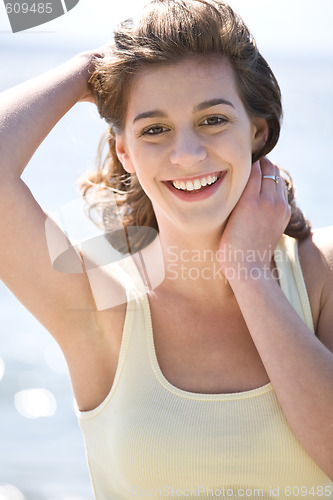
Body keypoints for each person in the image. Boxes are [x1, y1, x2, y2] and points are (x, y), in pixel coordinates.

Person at [0, 0, 332, 498]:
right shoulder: (99, 303)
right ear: (125, 153)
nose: (188, 154)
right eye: (154, 129)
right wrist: (88, 69)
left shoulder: (320, 272)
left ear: (257, 131)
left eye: (213, 120)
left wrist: (250, 275)